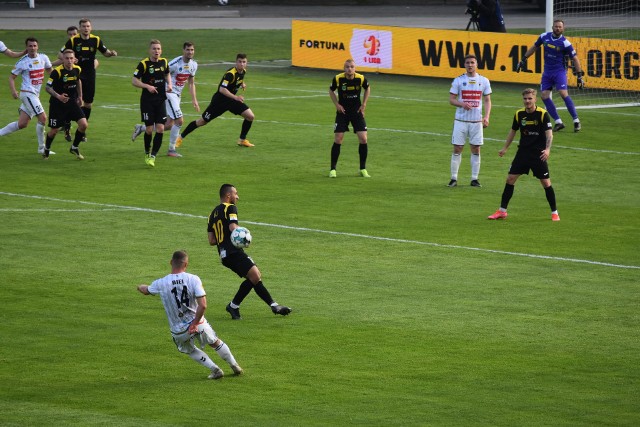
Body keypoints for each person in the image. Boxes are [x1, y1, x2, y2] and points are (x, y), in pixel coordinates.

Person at [137, 250, 243, 380]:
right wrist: (195, 323)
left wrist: (140, 286)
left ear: (171, 262)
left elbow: (146, 290)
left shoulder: (161, 283)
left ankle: (215, 369)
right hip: (198, 322)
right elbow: (203, 305)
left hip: (179, 329)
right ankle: (234, 365)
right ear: (186, 264)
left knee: (190, 350)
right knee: (215, 342)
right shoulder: (193, 279)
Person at [207, 184, 292, 320]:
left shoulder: (212, 214)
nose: (237, 197)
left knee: (253, 277)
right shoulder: (230, 207)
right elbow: (233, 227)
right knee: (255, 275)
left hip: (224, 255)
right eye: (236, 193)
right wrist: (244, 236)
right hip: (234, 251)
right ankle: (235, 305)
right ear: (228, 195)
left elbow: (211, 240)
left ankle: (272, 306)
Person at [487, 88, 560, 221]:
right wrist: (505, 148)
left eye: (530, 98)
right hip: (523, 153)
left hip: (538, 154)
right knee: (510, 179)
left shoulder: (543, 114)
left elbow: (549, 134)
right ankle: (502, 211)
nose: (527, 101)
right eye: (525, 99)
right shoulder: (519, 114)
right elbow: (513, 131)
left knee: (546, 183)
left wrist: (547, 149)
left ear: (535, 99)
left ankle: (554, 212)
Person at [132, 42, 199, 158]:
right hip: (168, 94)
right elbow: (162, 73)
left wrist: (194, 99)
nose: (190, 52)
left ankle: (142, 128)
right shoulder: (174, 63)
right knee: (180, 121)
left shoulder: (194, 65)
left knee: (168, 125)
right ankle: (171, 149)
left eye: (192, 50)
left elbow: (191, 83)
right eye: (188, 49)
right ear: (183, 50)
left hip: (177, 95)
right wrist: (167, 85)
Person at [175, 53, 255, 149]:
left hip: (231, 101)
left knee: (250, 116)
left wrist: (242, 83)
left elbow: (239, 79)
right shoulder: (230, 74)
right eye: (240, 62)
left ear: (246, 63)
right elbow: (222, 89)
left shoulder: (243, 71)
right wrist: (236, 97)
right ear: (236, 62)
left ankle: (242, 140)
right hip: (219, 102)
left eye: (244, 62)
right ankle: (180, 137)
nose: (242, 64)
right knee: (202, 122)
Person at [517, 19, 584, 133]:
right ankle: (558, 122)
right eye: (556, 26)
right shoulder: (544, 36)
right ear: (553, 27)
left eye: (560, 27)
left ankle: (576, 120)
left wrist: (579, 76)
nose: (558, 28)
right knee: (544, 96)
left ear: (563, 29)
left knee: (563, 93)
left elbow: (575, 58)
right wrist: (523, 59)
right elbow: (534, 47)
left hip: (559, 72)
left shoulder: (565, 43)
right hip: (547, 72)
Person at [62, 18, 117, 130]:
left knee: (88, 103)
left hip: (90, 74)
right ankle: (67, 123)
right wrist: (72, 60)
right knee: (74, 100)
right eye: (83, 26)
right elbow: (61, 54)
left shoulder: (96, 40)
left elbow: (105, 52)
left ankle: (82, 128)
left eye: (88, 26)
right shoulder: (73, 40)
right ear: (80, 28)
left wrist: (111, 53)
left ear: (91, 28)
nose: (86, 28)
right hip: (76, 73)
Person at [0, 37, 52, 155]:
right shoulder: (22, 62)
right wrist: (13, 91)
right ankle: (42, 149)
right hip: (27, 93)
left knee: (22, 124)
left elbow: (51, 71)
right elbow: (11, 77)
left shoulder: (43, 58)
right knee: (43, 118)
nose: (32, 48)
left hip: (35, 95)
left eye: (34, 46)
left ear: (37, 47)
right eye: (30, 46)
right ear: (26, 47)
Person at [448, 54, 492, 187]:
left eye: (472, 62)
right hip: (460, 120)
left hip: (476, 122)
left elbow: (487, 100)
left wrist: (486, 117)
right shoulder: (458, 80)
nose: (470, 65)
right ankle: (454, 178)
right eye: (467, 62)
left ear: (476, 64)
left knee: (476, 149)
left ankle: (474, 179)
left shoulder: (484, 81)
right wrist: (462, 104)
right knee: (457, 148)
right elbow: (451, 99)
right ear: (464, 65)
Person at [53, 26, 100, 142]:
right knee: (70, 102)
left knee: (87, 103)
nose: (72, 36)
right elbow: (59, 58)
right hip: (70, 79)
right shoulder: (69, 53)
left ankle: (82, 130)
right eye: (70, 35)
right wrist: (48, 65)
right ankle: (67, 127)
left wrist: (93, 67)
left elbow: (95, 60)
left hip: (88, 78)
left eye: (74, 34)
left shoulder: (87, 44)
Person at [131, 39, 172, 167]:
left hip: (160, 100)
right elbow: (134, 80)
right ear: (150, 50)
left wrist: (169, 84)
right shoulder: (144, 64)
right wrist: (146, 86)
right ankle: (147, 152)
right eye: (154, 49)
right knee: (149, 129)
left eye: (158, 49)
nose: (156, 51)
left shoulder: (164, 62)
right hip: (147, 101)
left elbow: (167, 73)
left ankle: (153, 156)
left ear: (161, 50)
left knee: (160, 128)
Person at [328, 58, 371, 178]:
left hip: (357, 112)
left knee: (363, 139)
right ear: (344, 68)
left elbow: (368, 88)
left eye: (352, 66)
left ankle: (363, 169)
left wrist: (364, 104)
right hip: (343, 112)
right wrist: (337, 105)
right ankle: (333, 169)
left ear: (355, 68)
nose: (349, 69)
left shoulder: (360, 78)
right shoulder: (338, 79)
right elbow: (331, 91)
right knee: (338, 139)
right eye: (347, 67)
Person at [43, 49, 87, 160]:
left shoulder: (77, 69)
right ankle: (46, 149)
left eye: (71, 58)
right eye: (66, 58)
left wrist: (80, 96)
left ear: (74, 59)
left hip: (71, 102)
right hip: (57, 104)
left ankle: (74, 147)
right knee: (54, 131)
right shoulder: (57, 72)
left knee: (83, 125)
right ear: (63, 59)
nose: (69, 60)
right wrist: (58, 96)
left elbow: (78, 81)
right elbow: (47, 87)